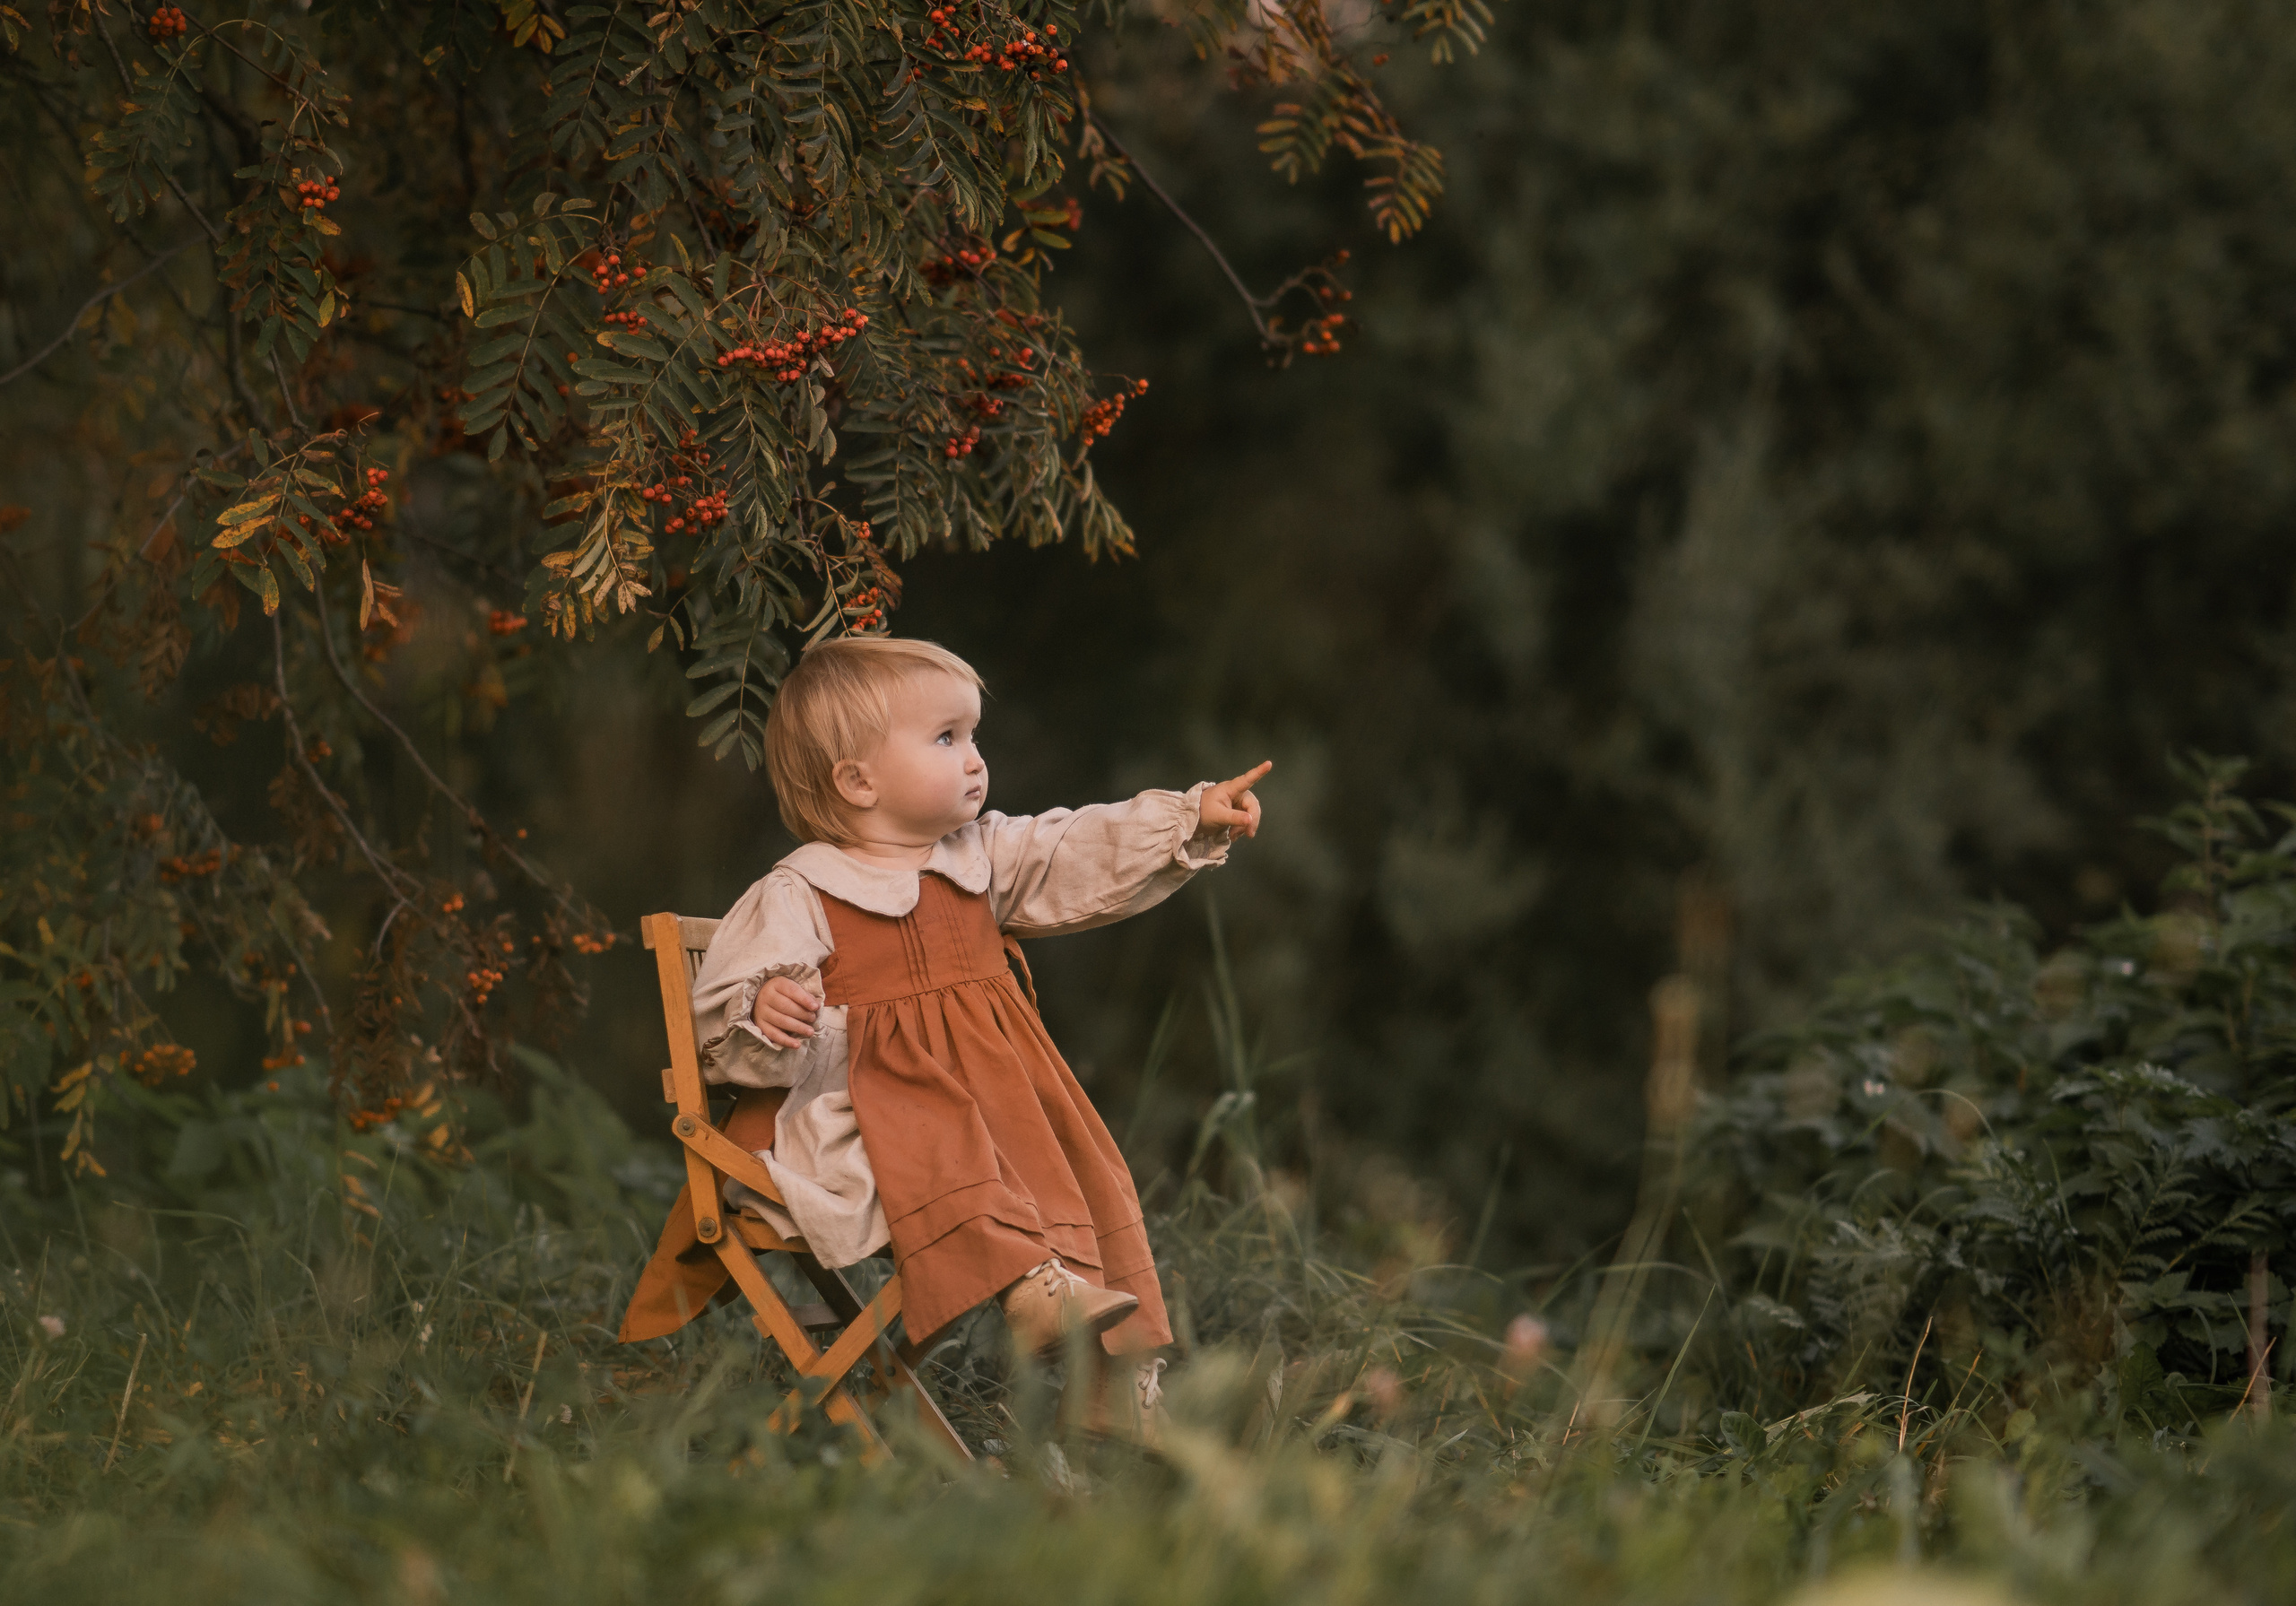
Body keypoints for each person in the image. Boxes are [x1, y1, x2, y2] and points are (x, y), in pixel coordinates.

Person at [673, 636, 1266, 1423]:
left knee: (1090, 1167)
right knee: (948, 1133)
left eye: (974, 735)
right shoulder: (800, 890)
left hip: (998, 1109)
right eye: (947, 738)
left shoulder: (980, 858)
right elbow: (728, 1002)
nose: (975, 758)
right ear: (857, 780)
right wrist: (766, 1004)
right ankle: (1033, 1292)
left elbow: (1074, 846)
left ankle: (1115, 1388)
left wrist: (1189, 815)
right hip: (875, 1115)